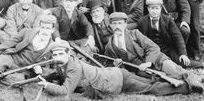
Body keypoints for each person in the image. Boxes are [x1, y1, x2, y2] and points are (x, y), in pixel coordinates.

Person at [38, 39, 202, 100]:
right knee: (151, 81)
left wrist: (46, 86)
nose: (57, 56)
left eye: (60, 53)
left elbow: (65, 90)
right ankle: (183, 80)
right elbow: (59, 73)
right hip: (117, 74)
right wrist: (44, 75)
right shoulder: (63, 64)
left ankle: (187, 86)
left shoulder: (72, 67)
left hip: (118, 81)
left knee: (151, 89)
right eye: (55, 54)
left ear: (68, 54)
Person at [105, 12, 203, 86]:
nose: (117, 26)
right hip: (141, 70)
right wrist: (117, 65)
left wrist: (148, 63)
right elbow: (112, 64)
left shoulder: (135, 34)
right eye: (114, 24)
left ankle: (194, 79)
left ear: (125, 24)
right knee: (164, 81)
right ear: (110, 25)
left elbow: (153, 47)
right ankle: (190, 82)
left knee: (175, 71)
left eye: (120, 23)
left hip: (156, 60)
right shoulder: (110, 46)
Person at [0, 15, 56, 85]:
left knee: (17, 81)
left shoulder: (53, 47)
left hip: (24, 71)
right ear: (39, 27)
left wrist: (41, 70)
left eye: (48, 28)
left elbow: (54, 69)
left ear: (52, 30)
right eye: (43, 27)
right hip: (11, 58)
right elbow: (6, 44)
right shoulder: (27, 32)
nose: (44, 31)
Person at [137, 0, 203, 69]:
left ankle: (201, 65)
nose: (154, 11)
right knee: (151, 65)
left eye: (157, 8)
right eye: (152, 8)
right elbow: (140, 40)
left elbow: (177, 37)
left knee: (182, 62)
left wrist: (183, 54)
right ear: (148, 9)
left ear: (161, 8)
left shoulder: (167, 20)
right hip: (151, 50)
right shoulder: (142, 22)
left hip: (167, 48)